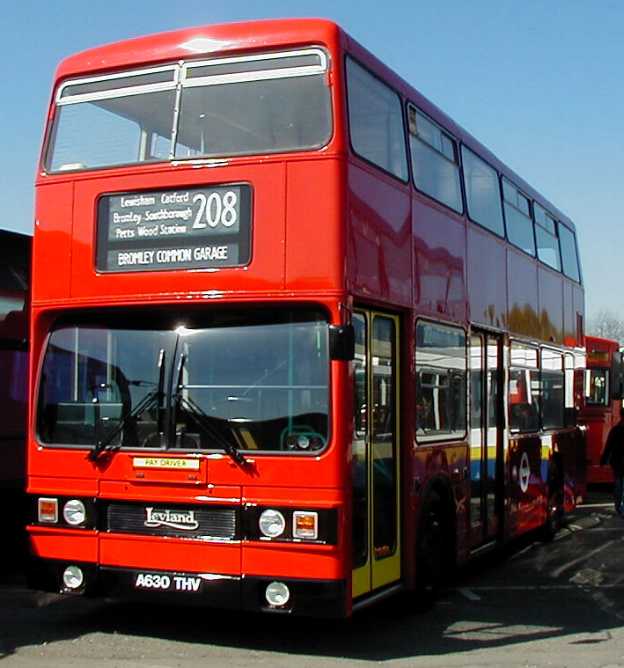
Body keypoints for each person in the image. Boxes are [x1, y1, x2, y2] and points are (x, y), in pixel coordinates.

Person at [600, 407, 624, 515]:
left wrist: (603, 460)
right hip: (619, 461)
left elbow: (608, 446)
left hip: (617, 461)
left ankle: (618, 506)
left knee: (618, 482)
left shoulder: (615, 429)